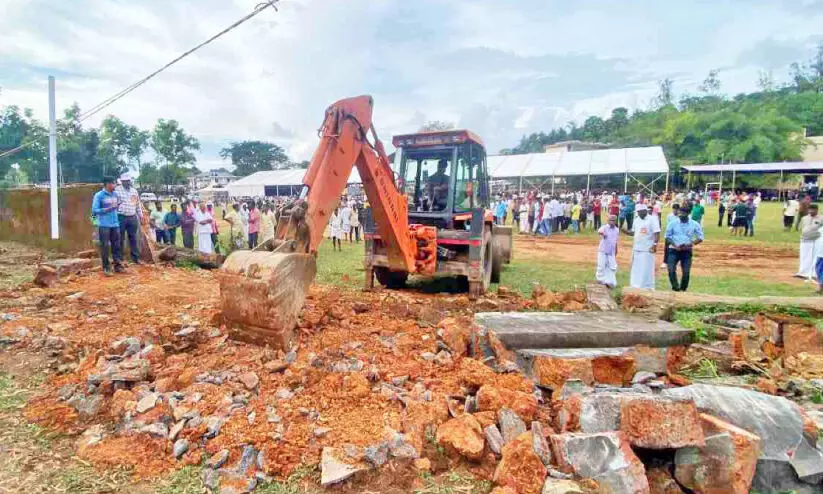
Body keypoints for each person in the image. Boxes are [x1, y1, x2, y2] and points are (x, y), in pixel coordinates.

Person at [665, 205, 705, 292]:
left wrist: (690, 244)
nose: (680, 215)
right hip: (673, 249)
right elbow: (667, 237)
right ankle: (675, 288)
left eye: (683, 213)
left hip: (686, 251)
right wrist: (675, 245)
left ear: (688, 213)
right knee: (671, 269)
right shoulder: (672, 223)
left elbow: (700, 238)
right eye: (679, 213)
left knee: (686, 272)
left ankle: (683, 289)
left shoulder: (694, 224)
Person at [92, 176, 123, 276]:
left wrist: (117, 206)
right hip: (104, 225)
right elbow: (95, 210)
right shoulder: (99, 195)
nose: (115, 185)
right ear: (108, 184)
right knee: (105, 246)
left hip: (115, 224)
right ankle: (106, 268)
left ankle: (118, 266)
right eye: (113, 183)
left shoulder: (115, 194)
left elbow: (116, 207)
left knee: (116, 246)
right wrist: (109, 208)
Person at [625, 204, 660, 290]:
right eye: (637, 212)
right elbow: (633, 233)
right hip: (637, 248)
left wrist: (654, 245)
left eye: (640, 212)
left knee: (646, 268)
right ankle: (635, 285)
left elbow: (657, 233)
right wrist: (624, 231)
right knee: (636, 268)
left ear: (645, 211)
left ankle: (646, 286)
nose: (638, 214)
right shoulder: (636, 220)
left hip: (647, 248)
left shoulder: (653, 219)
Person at [114, 173, 142, 263]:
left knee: (133, 237)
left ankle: (135, 258)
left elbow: (137, 204)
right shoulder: (116, 191)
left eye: (128, 181)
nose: (127, 182)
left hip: (132, 216)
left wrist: (140, 214)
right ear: (122, 181)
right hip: (121, 216)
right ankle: (120, 259)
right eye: (125, 181)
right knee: (120, 238)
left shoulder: (134, 191)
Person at [797, 204, 823, 279]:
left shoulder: (821, 218)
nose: (811, 211)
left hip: (816, 240)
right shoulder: (804, 218)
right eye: (810, 209)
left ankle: (813, 274)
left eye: (813, 210)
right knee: (804, 256)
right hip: (804, 239)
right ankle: (803, 272)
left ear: (817, 210)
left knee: (814, 257)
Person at [595, 215, 619, 288]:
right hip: (603, 250)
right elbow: (599, 231)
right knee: (601, 266)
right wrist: (603, 234)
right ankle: (600, 280)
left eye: (613, 220)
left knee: (612, 267)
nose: (612, 222)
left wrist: (616, 249)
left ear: (615, 221)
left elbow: (615, 241)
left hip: (611, 251)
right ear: (608, 221)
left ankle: (610, 282)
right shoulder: (604, 227)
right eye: (610, 220)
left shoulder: (617, 230)